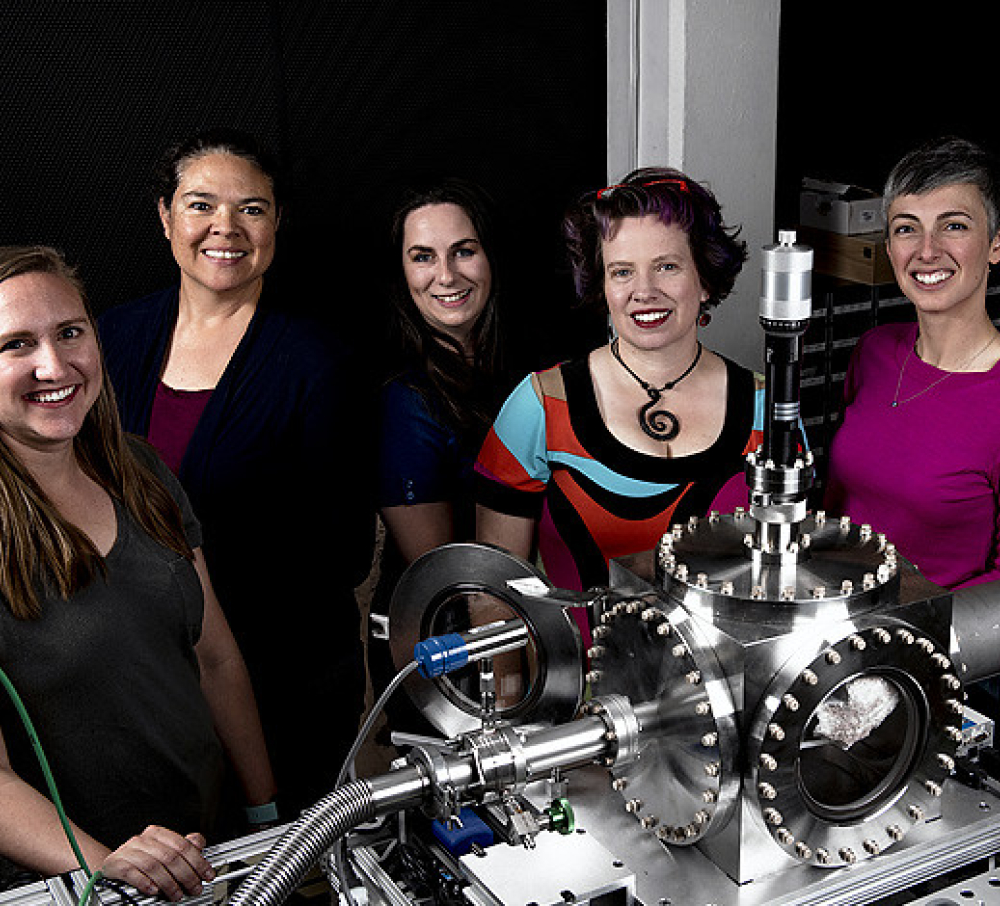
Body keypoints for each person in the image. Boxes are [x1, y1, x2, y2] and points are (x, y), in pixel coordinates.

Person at [0, 246, 275, 899]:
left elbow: (214, 657)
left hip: (202, 853)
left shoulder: (138, 469)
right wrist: (107, 864)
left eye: (70, 332)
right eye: (16, 344)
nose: (55, 365)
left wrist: (266, 816)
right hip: (62, 882)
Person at [98, 128, 373, 815]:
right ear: (165, 218)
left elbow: (338, 554)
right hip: (139, 683)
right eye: (201, 205)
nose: (226, 227)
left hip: (283, 683)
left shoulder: (319, 363)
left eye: (252, 208)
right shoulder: (108, 339)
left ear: (277, 223)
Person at [475, 167, 766, 596]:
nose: (644, 291)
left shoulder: (767, 408)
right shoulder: (539, 408)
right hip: (573, 663)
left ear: (704, 279)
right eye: (622, 271)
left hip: (730, 666)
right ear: (602, 285)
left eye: (667, 266)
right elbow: (493, 602)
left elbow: (782, 586)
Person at [822, 137, 1000, 589]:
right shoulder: (875, 352)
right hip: (830, 625)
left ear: (997, 242)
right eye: (906, 228)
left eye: (954, 226)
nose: (927, 250)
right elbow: (836, 511)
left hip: (933, 648)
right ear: (888, 248)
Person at [370, 178, 514, 721]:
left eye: (464, 251)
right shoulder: (405, 402)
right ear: (402, 274)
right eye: (422, 257)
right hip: (445, 648)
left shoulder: (521, 370)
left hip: (511, 627)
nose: (447, 275)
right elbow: (441, 575)